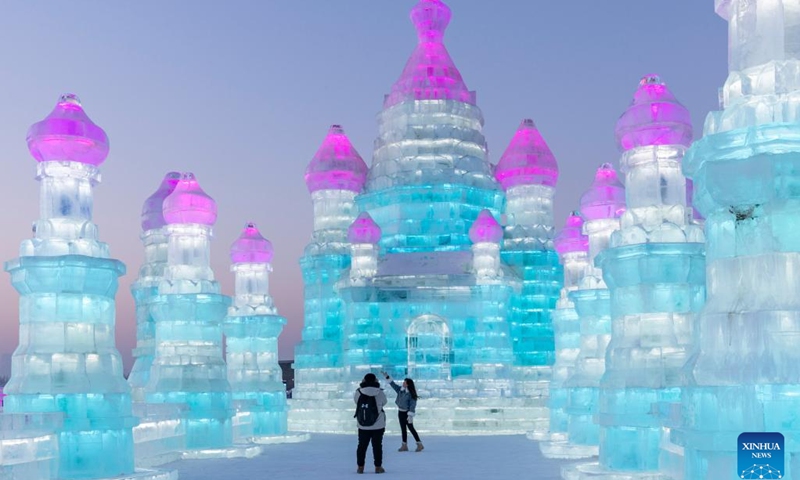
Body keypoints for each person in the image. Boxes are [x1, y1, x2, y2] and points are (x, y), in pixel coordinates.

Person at [354, 373, 388, 474]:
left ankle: (360, 467)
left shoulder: (358, 392)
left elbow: (356, 402)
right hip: (378, 425)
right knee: (377, 446)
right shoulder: (379, 392)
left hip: (362, 425)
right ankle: (378, 467)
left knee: (362, 446)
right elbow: (384, 402)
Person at [382, 371, 424, 452]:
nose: (403, 383)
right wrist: (387, 376)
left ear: (408, 384)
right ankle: (404, 445)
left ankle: (419, 444)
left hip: (407, 413)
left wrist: (410, 415)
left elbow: (412, 405)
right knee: (403, 429)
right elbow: (393, 385)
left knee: (411, 428)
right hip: (400, 412)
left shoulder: (411, 394)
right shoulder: (400, 390)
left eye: (404, 382)